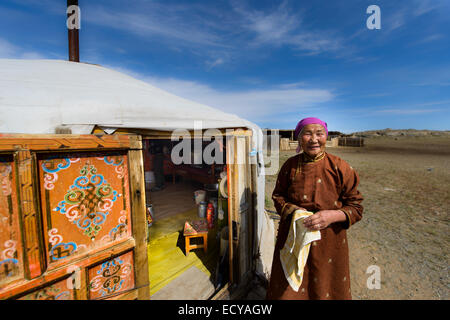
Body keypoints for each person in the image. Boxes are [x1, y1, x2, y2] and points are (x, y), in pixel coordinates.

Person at [266, 117, 364, 300]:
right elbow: (278, 196)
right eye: (307, 134)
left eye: (319, 133)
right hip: (293, 238)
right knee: (288, 291)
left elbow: (356, 207)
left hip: (329, 243)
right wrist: (294, 212)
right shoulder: (290, 166)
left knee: (326, 288)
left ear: (326, 136)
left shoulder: (340, 167)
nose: (314, 139)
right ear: (299, 138)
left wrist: (333, 215)